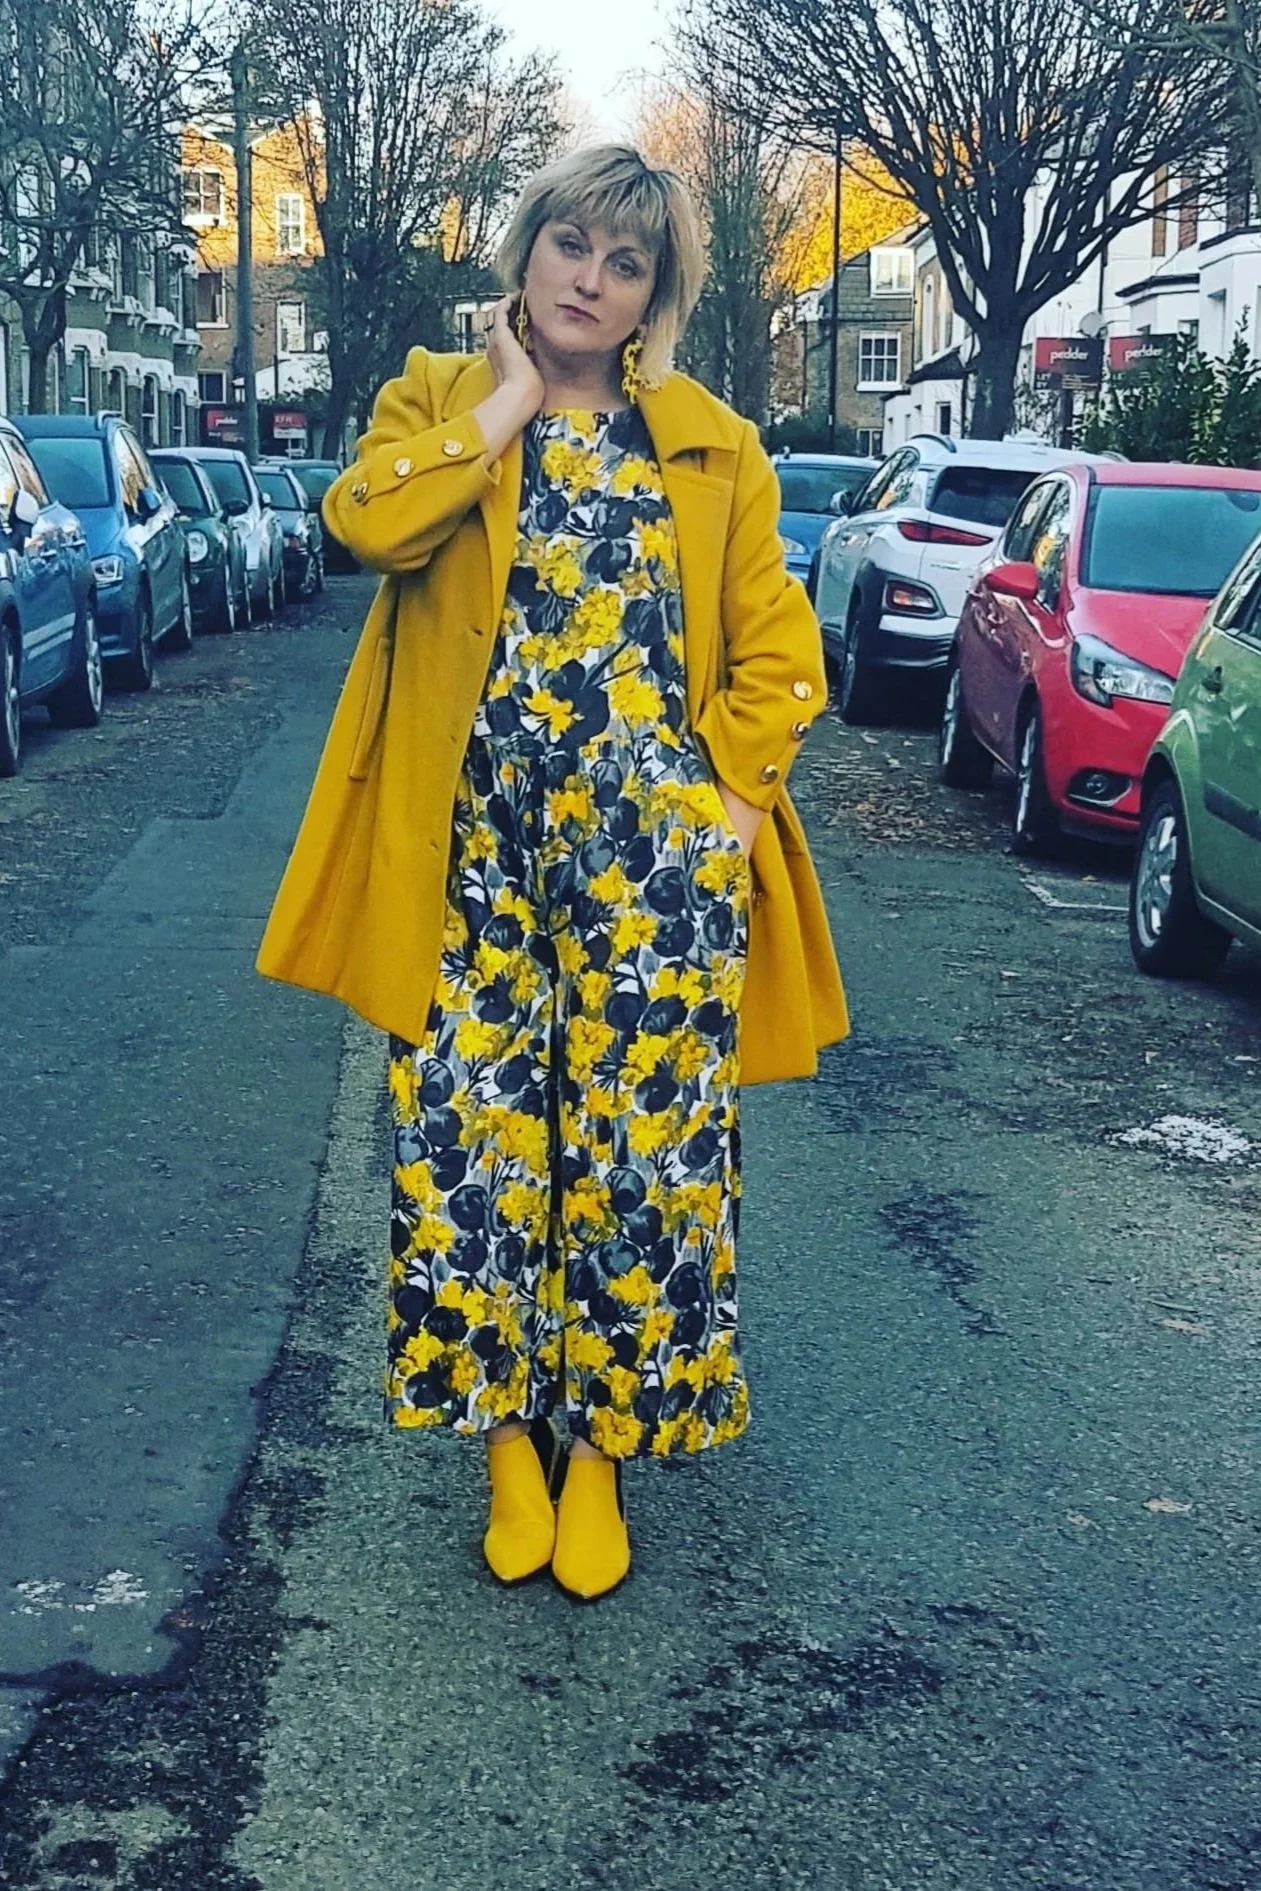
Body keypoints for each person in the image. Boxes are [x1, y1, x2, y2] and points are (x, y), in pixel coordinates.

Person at [255, 145, 849, 1601]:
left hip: (655, 869)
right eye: (571, 244)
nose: (590, 278)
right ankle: (507, 1450)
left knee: (642, 1165)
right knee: (472, 1147)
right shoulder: (435, 400)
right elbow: (367, 523)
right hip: (472, 857)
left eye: (626, 263)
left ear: (655, 296)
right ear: (527, 250)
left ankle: (600, 1462)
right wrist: (509, 401)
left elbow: (781, 654)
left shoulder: (711, 443)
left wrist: (723, 812)